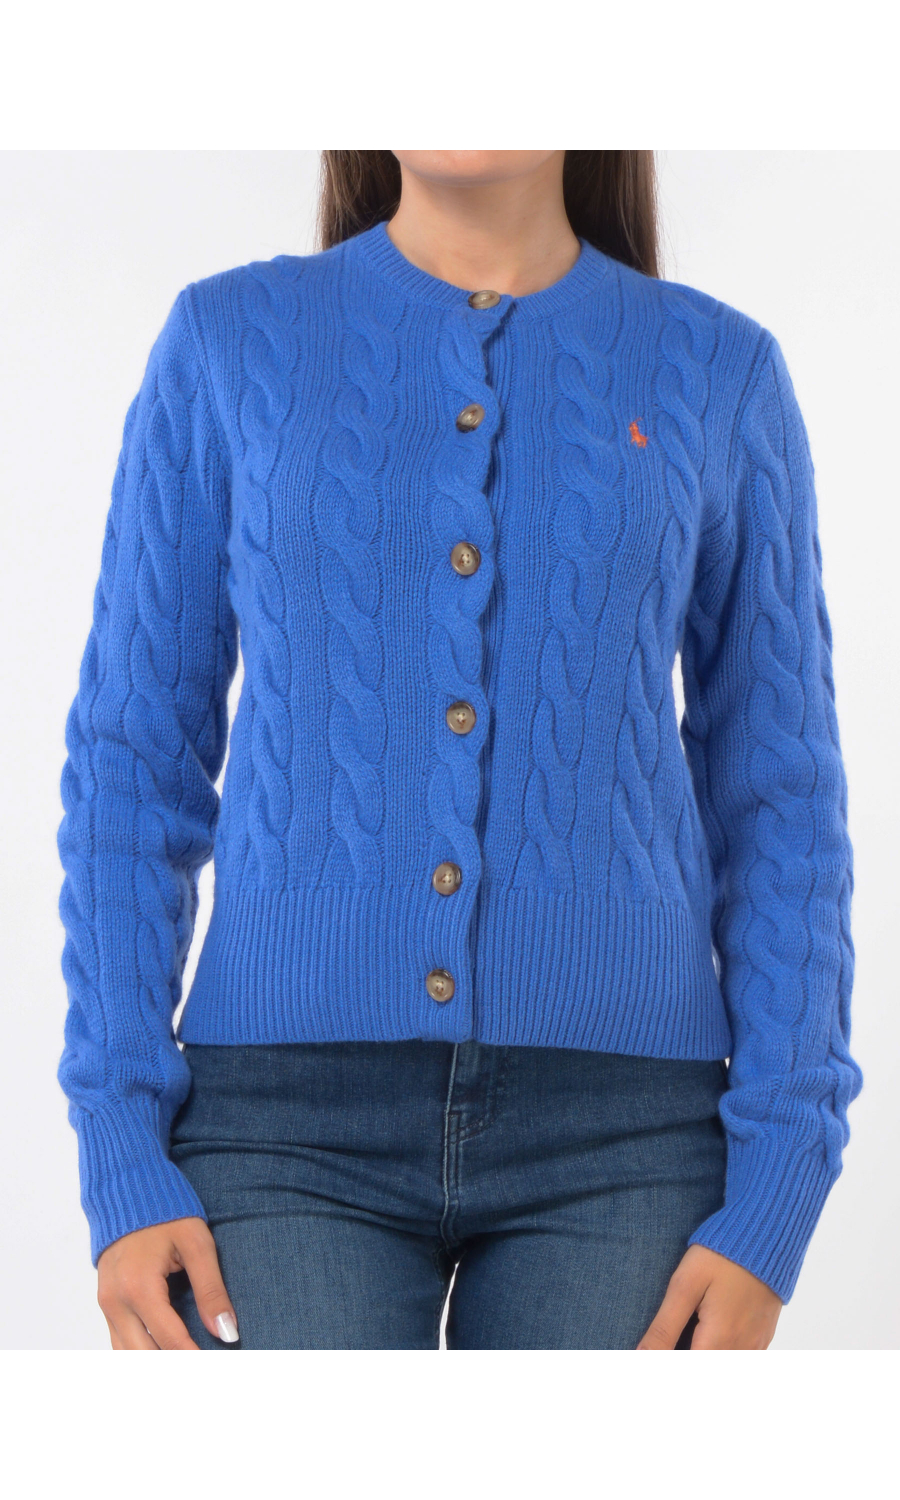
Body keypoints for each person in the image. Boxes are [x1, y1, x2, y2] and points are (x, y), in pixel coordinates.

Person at [56, 150, 862, 1350]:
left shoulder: (718, 367)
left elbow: (781, 791)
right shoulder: (228, 342)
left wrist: (783, 1176)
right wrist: (120, 1142)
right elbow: (133, 761)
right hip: (279, 1123)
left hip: (628, 1133)